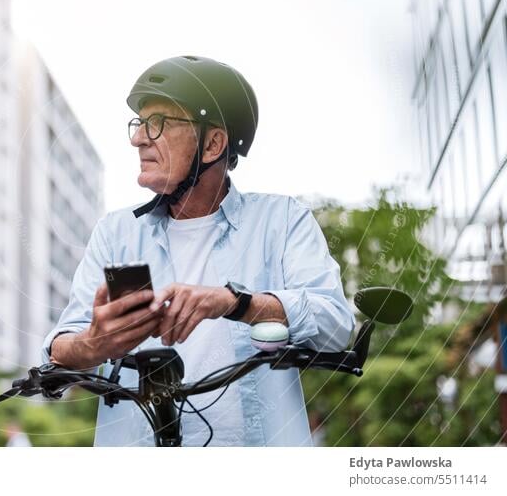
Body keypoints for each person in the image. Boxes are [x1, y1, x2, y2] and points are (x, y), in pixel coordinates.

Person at [41, 55, 355, 446]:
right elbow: (60, 344)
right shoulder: (116, 233)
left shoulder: (282, 220)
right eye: (139, 124)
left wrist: (234, 303)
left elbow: (336, 326)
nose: (139, 138)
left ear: (213, 143)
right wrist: (95, 344)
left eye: (157, 124)